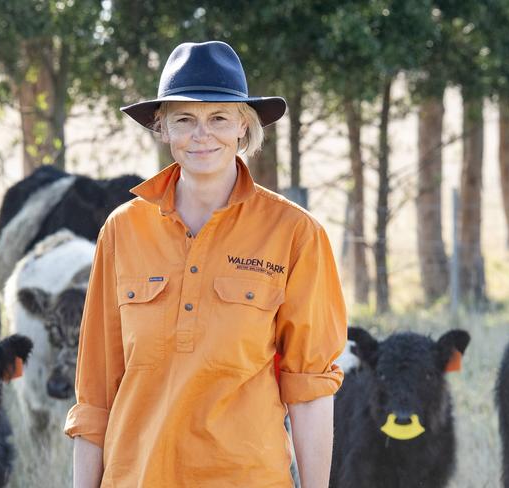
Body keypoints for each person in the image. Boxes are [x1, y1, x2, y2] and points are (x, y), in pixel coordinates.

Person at [64, 40, 347, 488]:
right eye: (184, 120)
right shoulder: (121, 230)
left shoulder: (295, 234)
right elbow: (95, 392)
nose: (202, 135)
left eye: (218, 118)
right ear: (163, 130)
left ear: (243, 126)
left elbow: (309, 388)